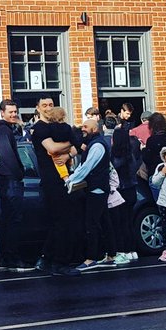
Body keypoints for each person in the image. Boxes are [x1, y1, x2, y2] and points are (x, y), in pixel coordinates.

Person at [31, 103, 79, 274]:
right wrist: (68, 145)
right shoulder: (40, 129)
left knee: (61, 222)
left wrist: (67, 153)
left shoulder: (56, 128)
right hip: (51, 180)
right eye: (44, 105)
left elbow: (74, 148)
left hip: (61, 179)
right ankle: (59, 263)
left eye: (51, 104)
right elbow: (52, 148)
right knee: (62, 222)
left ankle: (47, 259)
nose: (48, 108)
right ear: (38, 108)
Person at [65, 114, 115, 270]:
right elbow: (84, 166)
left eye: (86, 127)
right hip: (98, 187)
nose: (83, 129)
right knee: (104, 222)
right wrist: (72, 177)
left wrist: (70, 180)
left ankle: (91, 258)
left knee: (91, 223)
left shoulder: (97, 145)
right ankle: (111, 254)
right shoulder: (94, 144)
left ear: (94, 129)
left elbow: (87, 167)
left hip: (97, 188)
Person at [0, 98, 34, 271]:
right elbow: (7, 154)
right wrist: (19, 173)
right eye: (10, 112)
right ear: (2, 112)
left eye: (15, 112)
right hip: (10, 180)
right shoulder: (4, 130)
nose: (14, 115)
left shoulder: (1, 129)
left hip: (5, 179)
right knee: (14, 221)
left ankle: (5, 258)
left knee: (7, 221)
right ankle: (13, 259)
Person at [109, 102, 143, 263]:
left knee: (120, 222)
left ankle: (123, 250)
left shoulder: (116, 157)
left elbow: (114, 168)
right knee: (129, 221)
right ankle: (133, 250)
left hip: (120, 190)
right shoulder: (132, 152)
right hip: (131, 187)